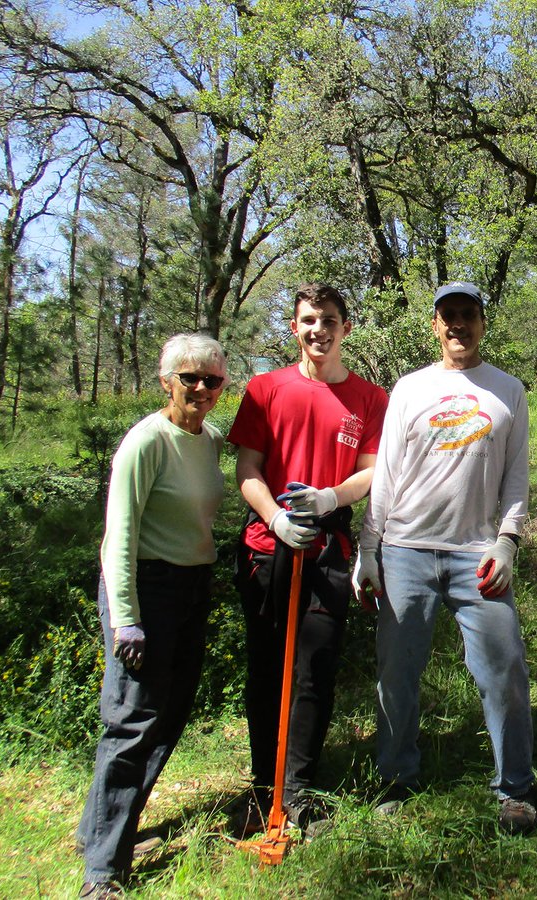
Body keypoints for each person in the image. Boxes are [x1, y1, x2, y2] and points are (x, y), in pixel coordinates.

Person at [352, 281, 537, 835]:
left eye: (469, 314)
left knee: (504, 669)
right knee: (397, 671)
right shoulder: (409, 389)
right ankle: (395, 778)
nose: (458, 324)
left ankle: (515, 790)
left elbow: (517, 477)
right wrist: (369, 549)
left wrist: (507, 542)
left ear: (483, 323)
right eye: (448, 315)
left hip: (478, 555)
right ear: (435, 325)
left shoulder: (508, 390)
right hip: (405, 550)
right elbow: (385, 474)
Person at [228, 283, 388, 835]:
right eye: (308, 319)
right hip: (267, 548)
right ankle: (261, 786)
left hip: (329, 548)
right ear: (294, 327)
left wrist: (330, 498)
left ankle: (299, 789)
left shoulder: (370, 398)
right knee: (268, 667)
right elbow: (246, 469)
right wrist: (274, 517)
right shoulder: (265, 389)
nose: (318, 329)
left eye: (329, 319)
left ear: (346, 327)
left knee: (314, 669)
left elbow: (371, 471)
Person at [77, 335, 228, 899]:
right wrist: (126, 619)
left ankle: (99, 830)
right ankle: (104, 871)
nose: (201, 389)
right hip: (146, 587)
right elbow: (118, 537)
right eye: (190, 378)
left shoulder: (209, 440)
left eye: (212, 380)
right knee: (133, 718)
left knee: (171, 712)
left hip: (192, 585)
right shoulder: (146, 442)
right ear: (167, 380)